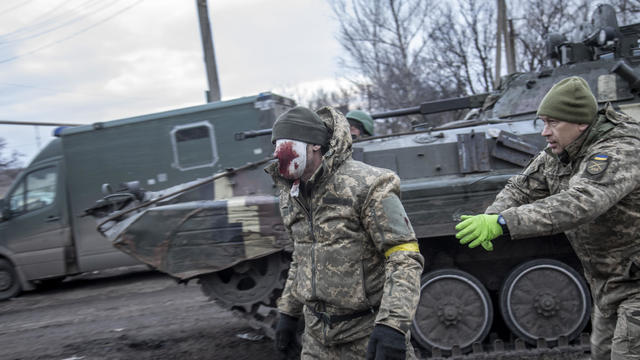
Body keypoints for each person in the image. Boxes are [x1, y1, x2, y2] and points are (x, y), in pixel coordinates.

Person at [454, 76, 640, 359]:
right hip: (608, 285)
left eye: (553, 123)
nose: (545, 132)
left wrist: (505, 223)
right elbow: (522, 186)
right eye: (543, 122)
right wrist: (492, 217)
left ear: (580, 122)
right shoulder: (563, 151)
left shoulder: (619, 150)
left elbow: (580, 203)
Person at [266, 105, 424, 359]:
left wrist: (393, 325)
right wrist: (288, 312)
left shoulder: (369, 185)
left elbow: (404, 256)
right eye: (274, 145)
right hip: (317, 339)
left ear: (315, 145)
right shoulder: (291, 194)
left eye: (285, 143)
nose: (277, 153)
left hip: (367, 335)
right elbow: (302, 255)